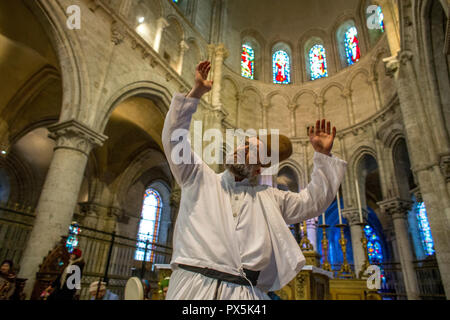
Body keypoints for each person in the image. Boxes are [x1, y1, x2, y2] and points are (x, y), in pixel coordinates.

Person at [162, 61, 347, 300]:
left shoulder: (270, 198)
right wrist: (195, 93)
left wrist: (322, 157)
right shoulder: (198, 177)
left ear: (258, 168)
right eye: (243, 144)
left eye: (251, 150)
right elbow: (174, 139)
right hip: (192, 289)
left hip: (245, 294)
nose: (242, 148)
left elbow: (313, 201)